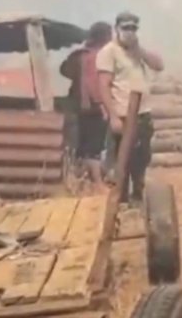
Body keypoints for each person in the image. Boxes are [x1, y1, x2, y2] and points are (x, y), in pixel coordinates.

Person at [96, 11, 165, 206]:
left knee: (141, 159)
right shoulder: (108, 52)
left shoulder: (137, 52)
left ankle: (137, 197)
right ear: (117, 29)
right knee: (120, 161)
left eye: (133, 28)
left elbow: (159, 65)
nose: (130, 32)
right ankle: (121, 200)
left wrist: (139, 50)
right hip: (123, 114)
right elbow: (104, 86)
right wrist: (113, 116)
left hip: (142, 114)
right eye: (126, 28)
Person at [60, 21, 113, 184]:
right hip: (94, 108)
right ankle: (97, 184)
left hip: (77, 109)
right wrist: (103, 105)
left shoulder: (79, 55)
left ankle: (80, 181)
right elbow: (93, 83)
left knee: (79, 148)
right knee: (94, 148)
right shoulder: (98, 56)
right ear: (105, 37)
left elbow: (64, 70)